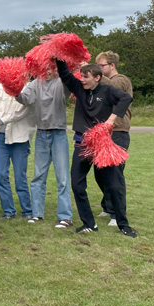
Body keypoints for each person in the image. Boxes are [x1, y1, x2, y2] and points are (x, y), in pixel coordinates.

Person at [56, 60, 136, 237]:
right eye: (81, 76)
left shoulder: (107, 91)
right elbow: (64, 74)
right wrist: (58, 55)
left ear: (97, 78)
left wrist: (111, 120)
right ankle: (89, 223)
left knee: (114, 184)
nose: (82, 79)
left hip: (102, 145)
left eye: (86, 77)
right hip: (82, 143)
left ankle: (123, 224)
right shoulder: (78, 88)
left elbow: (126, 98)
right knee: (77, 184)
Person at [15, 63, 73, 228]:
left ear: (55, 68)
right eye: (43, 69)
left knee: (62, 177)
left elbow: (70, 86)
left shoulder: (61, 82)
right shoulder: (35, 84)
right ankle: (37, 214)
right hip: (41, 134)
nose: (46, 72)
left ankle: (65, 217)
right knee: (38, 176)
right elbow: (25, 99)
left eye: (49, 68)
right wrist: (14, 90)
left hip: (59, 133)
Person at [0, 79, 36, 220]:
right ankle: (8, 211)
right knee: (0, 175)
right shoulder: (2, 86)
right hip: (2, 137)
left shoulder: (28, 88)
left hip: (19, 138)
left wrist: (2, 121)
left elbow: (21, 111)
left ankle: (27, 211)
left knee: (20, 177)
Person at [94, 51, 133, 228]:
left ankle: (117, 214)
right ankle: (108, 206)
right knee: (100, 172)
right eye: (97, 66)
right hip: (103, 133)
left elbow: (112, 87)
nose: (99, 69)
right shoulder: (102, 83)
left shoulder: (121, 80)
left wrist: (94, 74)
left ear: (112, 65)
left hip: (118, 131)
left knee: (115, 174)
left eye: (101, 66)